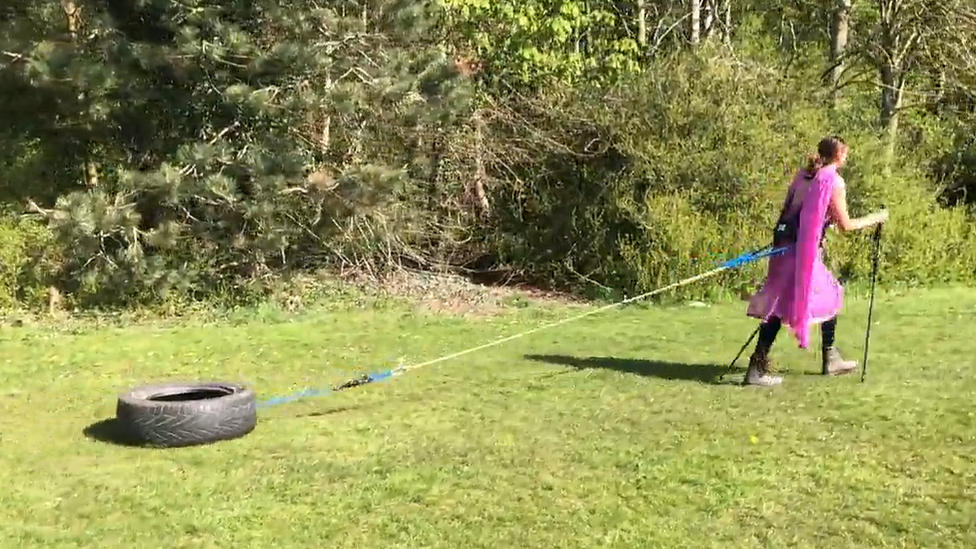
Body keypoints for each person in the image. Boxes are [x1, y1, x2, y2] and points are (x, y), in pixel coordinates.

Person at [742, 136, 888, 387]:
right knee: (816, 298)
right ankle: (761, 369)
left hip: (786, 248)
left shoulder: (805, 176)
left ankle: (824, 358)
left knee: (803, 300)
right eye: (845, 153)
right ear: (839, 155)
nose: (847, 157)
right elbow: (845, 225)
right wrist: (876, 218)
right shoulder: (833, 181)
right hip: (801, 253)